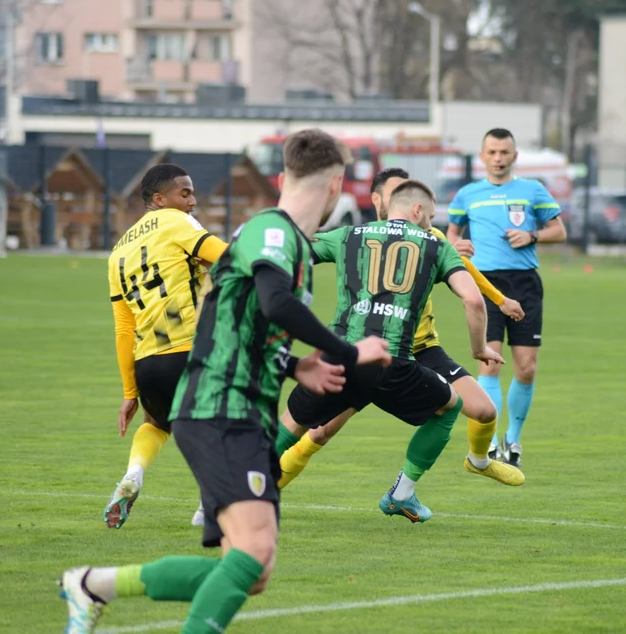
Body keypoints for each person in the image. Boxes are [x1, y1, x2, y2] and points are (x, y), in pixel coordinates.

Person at [59, 128, 391, 634]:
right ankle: (90, 587)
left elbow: (232, 326)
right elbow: (277, 302)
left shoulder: (277, 240)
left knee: (251, 570)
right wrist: (350, 350)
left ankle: (93, 585)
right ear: (336, 186)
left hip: (236, 412)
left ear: (282, 177)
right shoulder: (274, 234)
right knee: (255, 554)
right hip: (220, 411)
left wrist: (294, 365)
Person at [278, 167, 527, 493]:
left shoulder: (351, 235)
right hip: (391, 357)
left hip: (406, 349)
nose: (432, 225)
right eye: (431, 216)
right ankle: (402, 493)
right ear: (412, 207)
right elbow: (472, 299)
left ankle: (478, 461)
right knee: (320, 432)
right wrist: (479, 347)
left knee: (483, 410)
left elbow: (295, 250)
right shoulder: (431, 244)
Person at [101, 164, 229, 529]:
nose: (192, 201)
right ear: (159, 200)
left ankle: (133, 475)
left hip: (148, 361)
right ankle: (207, 509)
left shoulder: (118, 251)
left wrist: (130, 390)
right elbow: (228, 257)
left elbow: (123, 327)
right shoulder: (178, 222)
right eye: (184, 193)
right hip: (192, 347)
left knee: (156, 422)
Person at [446, 128, 566, 467]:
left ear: (514, 156)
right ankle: (491, 441)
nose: (498, 158)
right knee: (489, 361)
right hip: (483, 285)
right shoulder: (467, 195)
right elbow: (452, 235)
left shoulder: (532, 190)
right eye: (492, 152)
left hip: (524, 284)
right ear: (482, 156)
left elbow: (560, 231)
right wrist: (457, 246)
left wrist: (531, 235)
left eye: (504, 152)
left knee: (526, 369)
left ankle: (513, 440)